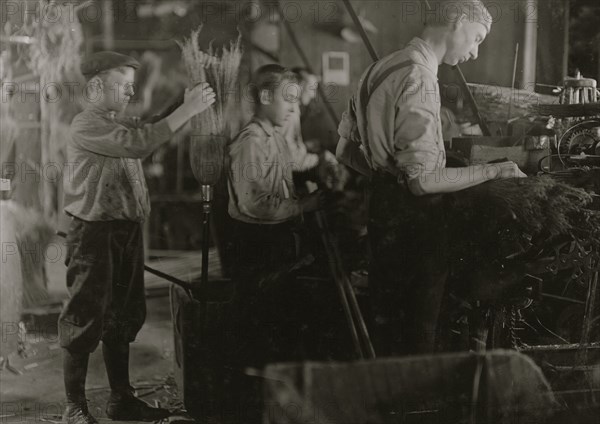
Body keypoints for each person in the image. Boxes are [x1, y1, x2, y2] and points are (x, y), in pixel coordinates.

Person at [336, 0, 527, 356]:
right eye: (477, 38)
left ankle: (390, 403)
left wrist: (388, 176)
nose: (475, 51)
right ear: (455, 23)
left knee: (388, 326)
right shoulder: (419, 78)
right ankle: (413, 405)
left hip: (383, 211)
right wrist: (495, 170)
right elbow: (422, 182)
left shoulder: (379, 68)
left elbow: (344, 153)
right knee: (416, 335)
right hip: (415, 223)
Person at [59, 51, 215, 424]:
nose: (129, 93)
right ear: (96, 86)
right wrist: (186, 110)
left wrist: (183, 103)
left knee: (124, 315)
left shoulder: (119, 123)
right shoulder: (87, 125)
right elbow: (139, 143)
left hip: (126, 229)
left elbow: (142, 133)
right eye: (122, 85)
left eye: (131, 86)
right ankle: (74, 407)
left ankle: (121, 399)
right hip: (92, 232)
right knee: (84, 315)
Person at [227, 64, 324, 366]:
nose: (294, 109)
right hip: (257, 244)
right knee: (258, 322)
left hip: (275, 241)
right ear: (266, 96)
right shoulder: (251, 142)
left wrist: (321, 162)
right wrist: (303, 206)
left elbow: (290, 163)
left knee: (276, 320)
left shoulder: (275, 136)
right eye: (289, 101)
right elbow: (254, 203)